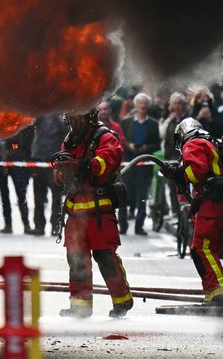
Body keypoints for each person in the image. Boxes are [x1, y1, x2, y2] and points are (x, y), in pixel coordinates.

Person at [54, 108, 133, 319]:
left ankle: (122, 300)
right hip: (75, 212)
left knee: (105, 257)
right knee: (76, 259)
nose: (74, 121)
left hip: (99, 210)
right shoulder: (70, 140)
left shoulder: (105, 137)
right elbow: (63, 168)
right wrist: (61, 172)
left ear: (90, 117)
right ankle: (80, 306)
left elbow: (107, 162)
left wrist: (82, 165)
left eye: (77, 116)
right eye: (70, 117)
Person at [160, 118, 223, 305]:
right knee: (207, 249)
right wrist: (176, 173)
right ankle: (213, 293)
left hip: (214, 202)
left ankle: (221, 292)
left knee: (201, 248)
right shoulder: (212, 143)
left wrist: (178, 174)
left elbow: (196, 171)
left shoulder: (193, 143)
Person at [118, 93, 161, 235]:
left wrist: (146, 148)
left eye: (145, 103)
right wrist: (128, 145)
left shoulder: (153, 124)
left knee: (142, 197)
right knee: (124, 196)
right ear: (135, 105)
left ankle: (139, 225)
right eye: (140, 103)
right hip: (128, 165)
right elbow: (120, 141)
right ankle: (122, 225)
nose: (142, 106)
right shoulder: (126, 122)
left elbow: (157, 144)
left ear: (148, 106)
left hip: (144, 167)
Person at [29, 114, 68, 236]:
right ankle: (39, 225)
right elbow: (30, 124)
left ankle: (55, 226)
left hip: (55, 160)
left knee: (56, 197)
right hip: (39, 158)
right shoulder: (40, 114)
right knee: (38, 196)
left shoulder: (61, 115)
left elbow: (65, 130)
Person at [0, 125, 34, 234]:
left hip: (17, 156)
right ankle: (8, 224)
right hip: (2, 158)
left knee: (21, 192)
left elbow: (26, 136)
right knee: (5, 193)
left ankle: (26, 223)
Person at [159, 92, 190, 215]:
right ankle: (175, 210)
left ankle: (186, 209)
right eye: (175, 103)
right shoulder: (169, 120)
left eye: (179, 103)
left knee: (184, 184)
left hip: (184, 157)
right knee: (172, 185)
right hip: (170, 156)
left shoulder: (188, 119)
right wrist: (168, 120)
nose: (177, 106)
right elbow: (161, 135)